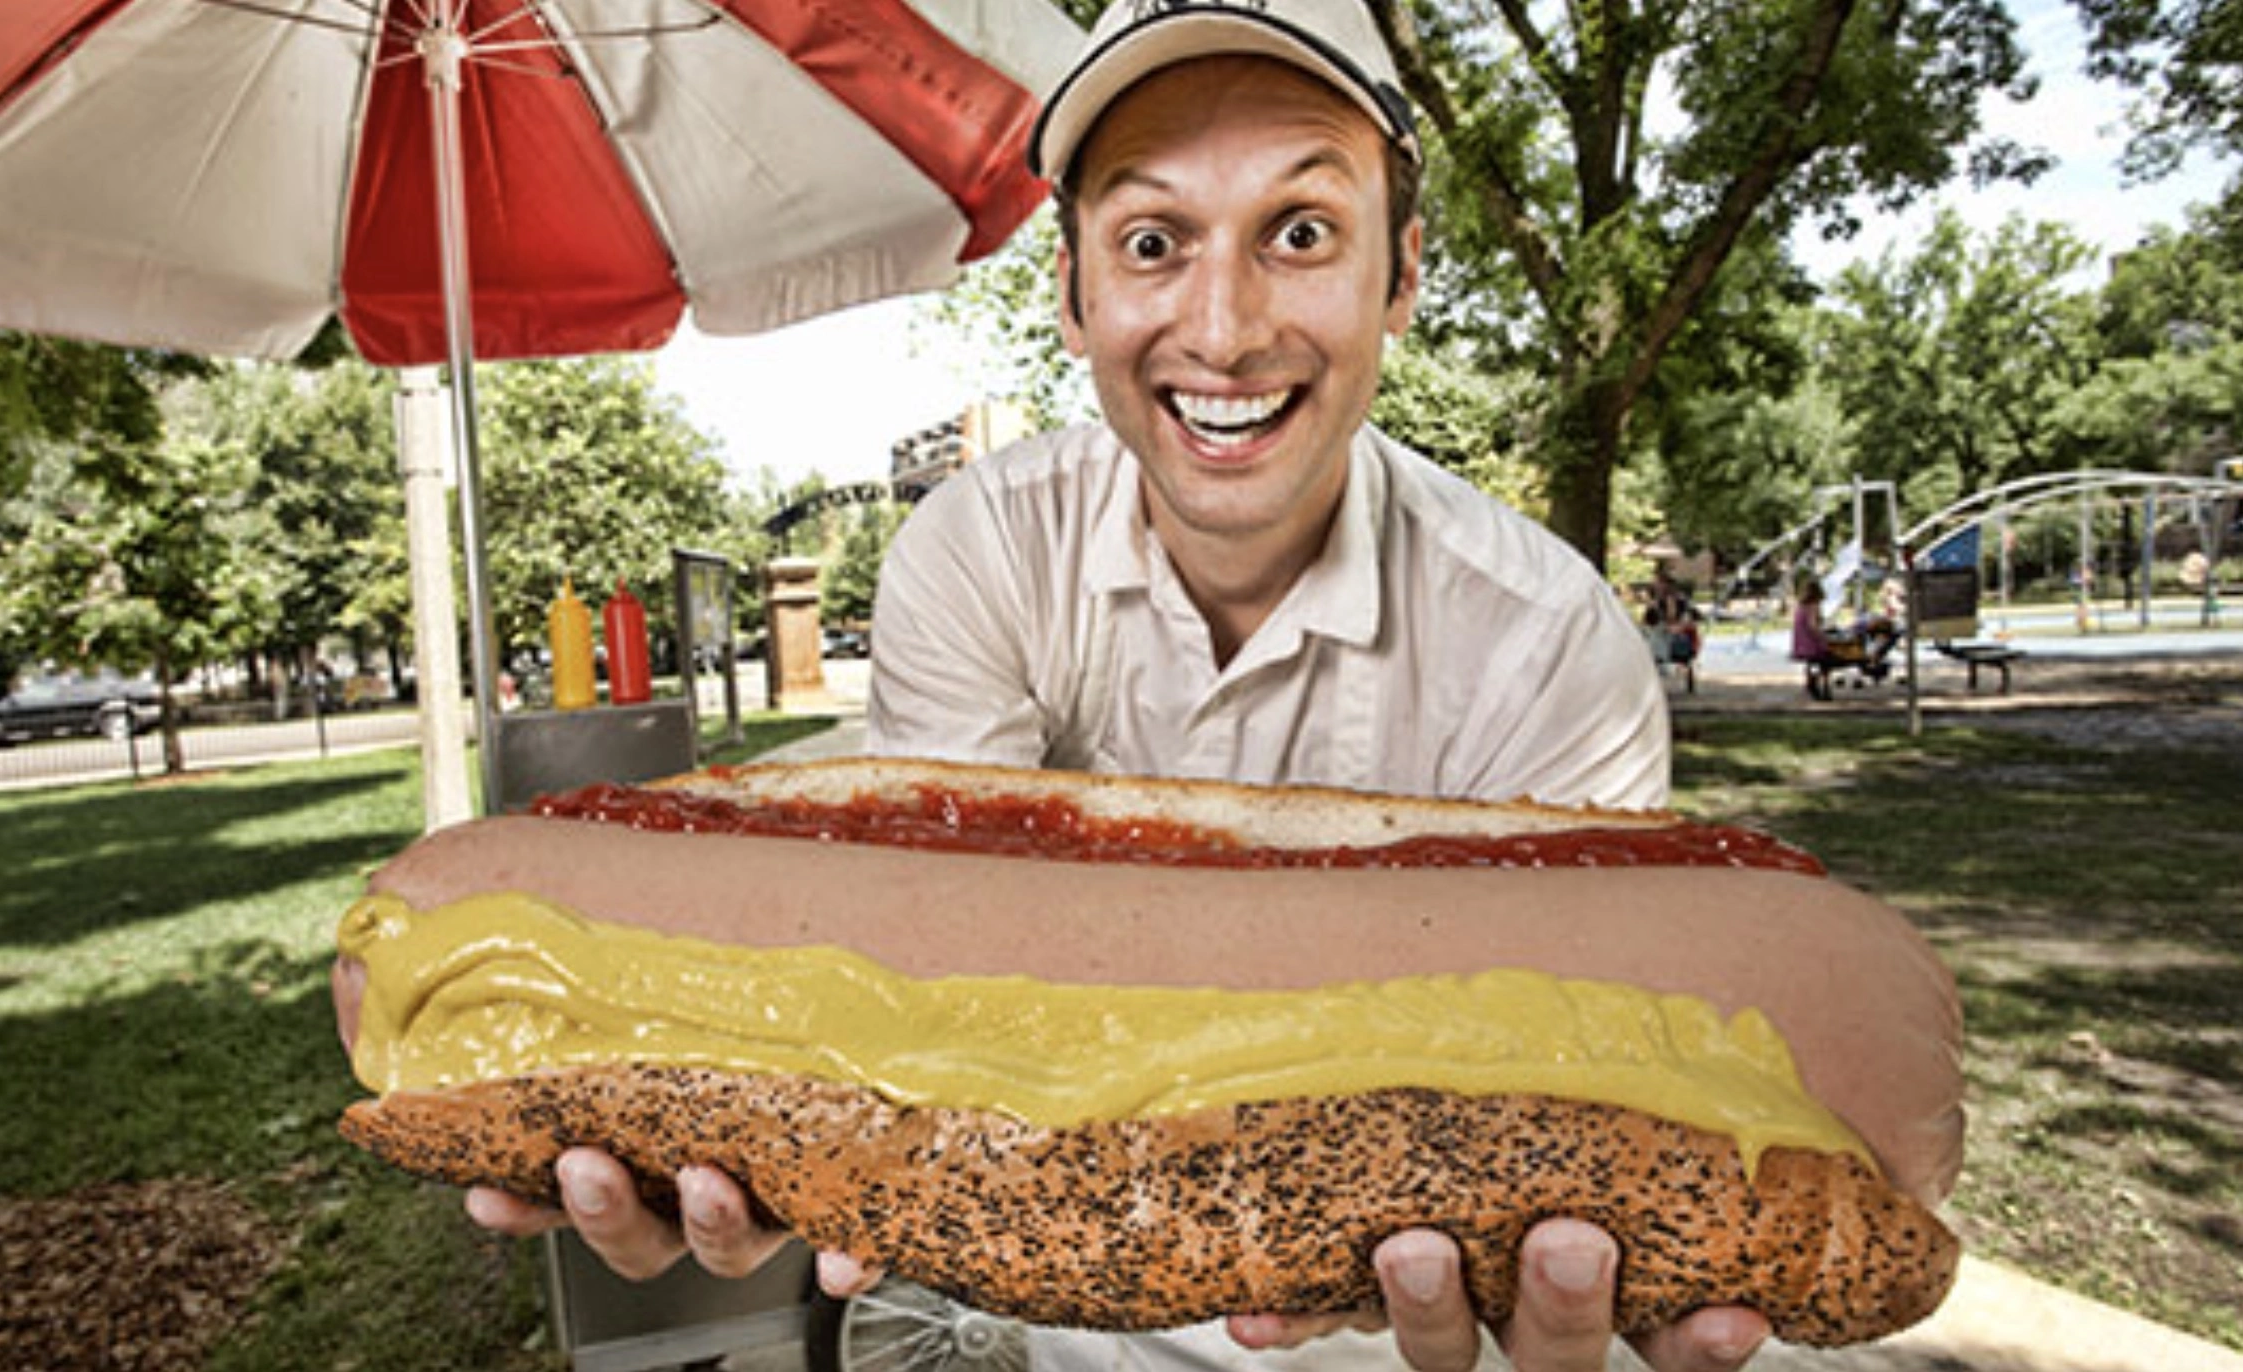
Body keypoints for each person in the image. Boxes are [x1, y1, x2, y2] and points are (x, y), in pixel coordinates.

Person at [472, 4, 1764, 1370]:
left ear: (1402, 280)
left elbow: (1572, 1096)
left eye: (1303, 233)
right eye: (1153, 244)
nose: (1224, 328)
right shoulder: (978, 553)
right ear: (1077, 299)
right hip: (1061, 1335)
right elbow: (934, 981)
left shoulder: (1557, 649)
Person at [1791, 578, 1833, 701]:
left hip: (1801, 644)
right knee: (1829, 658)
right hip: (1811, 644)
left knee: (1815, 662)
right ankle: (1821, 685)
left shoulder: (1801, 606)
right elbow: (1812, 626)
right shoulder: (1813, 606)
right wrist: (1823, 637)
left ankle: (1812, 679)